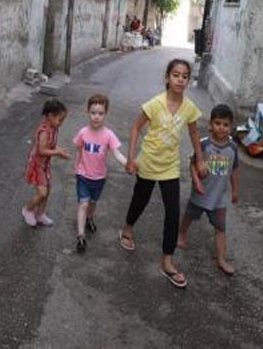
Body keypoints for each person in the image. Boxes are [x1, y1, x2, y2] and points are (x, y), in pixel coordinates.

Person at [119, 58, 207, 289]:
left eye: (185, 76)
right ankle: (127, 229)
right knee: (140, 200)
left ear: (188, 80)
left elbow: (194, 133)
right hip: (148, 162)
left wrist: (200, 159)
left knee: (173, 211)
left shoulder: (189, 108)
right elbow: (136, 127)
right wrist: (131, 157)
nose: (180, 80)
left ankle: (167, 260)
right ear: (167, 78)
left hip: (170, 167)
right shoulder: (155, 104)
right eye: (176, 75)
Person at [177, 104, 240, 275]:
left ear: (231, 127)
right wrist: (196, 181)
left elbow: (234, 169)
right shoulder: (204, 145)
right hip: (201, 193)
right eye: (218, 123)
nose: (221, 128)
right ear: (211, 124)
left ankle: (221, 259)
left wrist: (235, 190)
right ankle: (181, 233)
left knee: (220, 228)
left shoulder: (233, 148)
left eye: (226, 124)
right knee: (189, 215)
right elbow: (192, 165)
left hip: (219, 198)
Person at [72, 93, 127, 253]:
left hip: (99, 177)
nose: (96, 116)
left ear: (106, 114)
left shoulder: (108, 135)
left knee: (93, 203)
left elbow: (117, 153)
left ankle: (90, 219)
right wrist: (76, 165)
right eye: (93, 113)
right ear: (88, 112)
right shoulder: (83, 132)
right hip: (83, 175)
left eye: (100, 113)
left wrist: (128, 164)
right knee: (83, 203)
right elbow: (79, 149)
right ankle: (81, 236)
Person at [22, 99, 71, 227]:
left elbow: (50, 146)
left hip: (44, 165)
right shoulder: (44, 131)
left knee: (48, 190)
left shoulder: (54, 128)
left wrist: (59, 151)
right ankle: (28, 209)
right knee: (42, 192)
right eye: (60, 119)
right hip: (37, 165)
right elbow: (41, 150)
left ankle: (40, 214)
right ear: (50, 116)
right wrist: (57, 152)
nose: (61, 123)